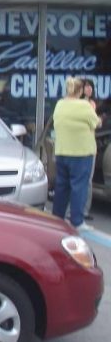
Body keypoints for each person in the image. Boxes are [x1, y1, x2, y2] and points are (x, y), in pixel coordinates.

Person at [52, 77, 101, 229]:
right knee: (79, 187)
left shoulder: (60, 104)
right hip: (81, 153)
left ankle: (57, 218)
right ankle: (77, 221)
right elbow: (96, 122)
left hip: (62, 151)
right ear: (80, 91)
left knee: (61, 187)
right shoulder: (84, 106)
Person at [81, 78, 99, 219]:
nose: (89, 89)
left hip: (90, 144)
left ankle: (84, 210)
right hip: (79, 145)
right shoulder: (78, 104)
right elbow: (95, 122)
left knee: (88, 180)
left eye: (91, 86)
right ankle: (75, 210)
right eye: (87, 86)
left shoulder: (92, 103)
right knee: (79, 179)